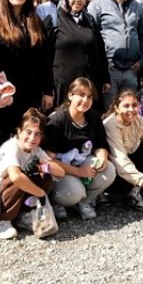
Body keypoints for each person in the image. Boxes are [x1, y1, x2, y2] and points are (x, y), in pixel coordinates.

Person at [0, 0, 54, 151]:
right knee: (4, 147)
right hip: (4, 97)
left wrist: (48, 91)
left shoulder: (36, 22)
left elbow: (45, 60)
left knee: (28, 145)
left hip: (31, 94)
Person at [0, 109, 64, 240]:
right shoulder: (11, 147)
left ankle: (24, 214)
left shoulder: (36, 149)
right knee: (19, 177)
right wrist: (40, 193)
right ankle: (3, 221)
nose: (32, 138)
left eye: (37, 134)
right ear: (19, 131)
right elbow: (16, 177)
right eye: (28, 132)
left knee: (45, 173)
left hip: (17, 191)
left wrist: (43, 164)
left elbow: (60, 171)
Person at [44, 78, 115, 220]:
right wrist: (79, 172)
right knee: (74, 192)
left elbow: (101, 145)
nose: (86, 100)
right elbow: (48, 160)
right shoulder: (57, 120)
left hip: (82, 162)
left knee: (109, 170)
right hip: (61, 169)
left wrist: (102, 156)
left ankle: (85, 202)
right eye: (81, 95)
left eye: (89, 96)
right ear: (70, 95)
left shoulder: (93, 116)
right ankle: (57, 202)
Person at [89, 0, 143, 106]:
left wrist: (142, 61)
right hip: (109, 70)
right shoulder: (97, 5)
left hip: (131, 71)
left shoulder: (136, 6)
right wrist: (102, 66)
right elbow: (90, 37)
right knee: (109, 113)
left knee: (128, 112)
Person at [48, 0, 110, 103]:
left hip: (89, 84)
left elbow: (100, 51)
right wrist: (47, 89)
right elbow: (44, 57)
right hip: (64, 85)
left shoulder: (89, 20)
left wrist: (105, 78)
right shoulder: (54, 19)